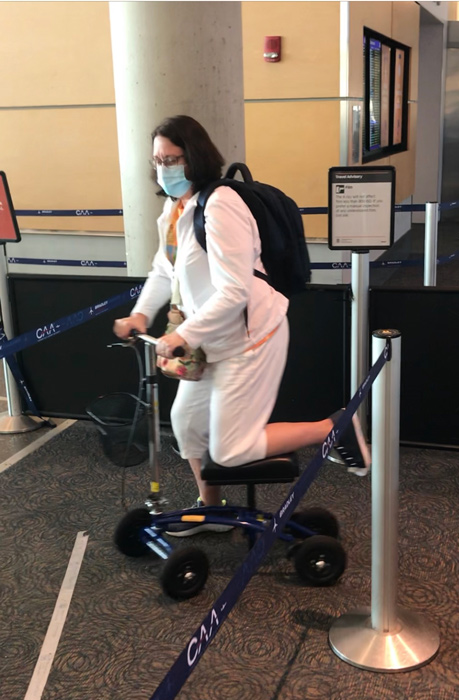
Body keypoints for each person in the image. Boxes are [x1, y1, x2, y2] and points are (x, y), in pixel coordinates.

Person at [113, 115, 370, 536]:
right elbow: (165, 269)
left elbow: (234, 292)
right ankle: (211, 512)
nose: (164, 168)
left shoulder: (221, 204)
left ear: (194, 157)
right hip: (211, 339)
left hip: (253, 338)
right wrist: (141, 314)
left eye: (172, 158)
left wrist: (182, 335)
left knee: (231, 450)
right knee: (188, 425)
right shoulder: (174, 209)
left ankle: (336, 426)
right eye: (157, 159)